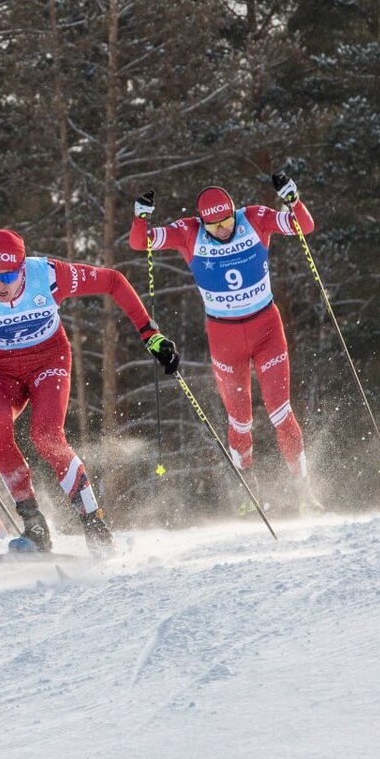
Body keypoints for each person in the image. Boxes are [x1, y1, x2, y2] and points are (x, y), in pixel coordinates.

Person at [0, 228, 181, 555]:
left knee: (46, 435)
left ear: (22, 268)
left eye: (8, 275)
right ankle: (34, 525)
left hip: (48, 359)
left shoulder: (50, 275)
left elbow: (112, 280)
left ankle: (93, 522)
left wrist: (150, 335)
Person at [128, 173, 323, 512]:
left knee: (281, 413)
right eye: (213, 225)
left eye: (227, 220)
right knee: (241, 422)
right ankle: (250, 496)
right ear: (203, 221)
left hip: (267, 330)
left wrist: (294, 200)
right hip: (224, 339)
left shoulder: (255, 218)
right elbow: (139, 242)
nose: (221, 229)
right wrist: (141, 217)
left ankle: (304, 492)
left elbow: (302, 226)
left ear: (235, 211)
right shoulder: (189, 232)